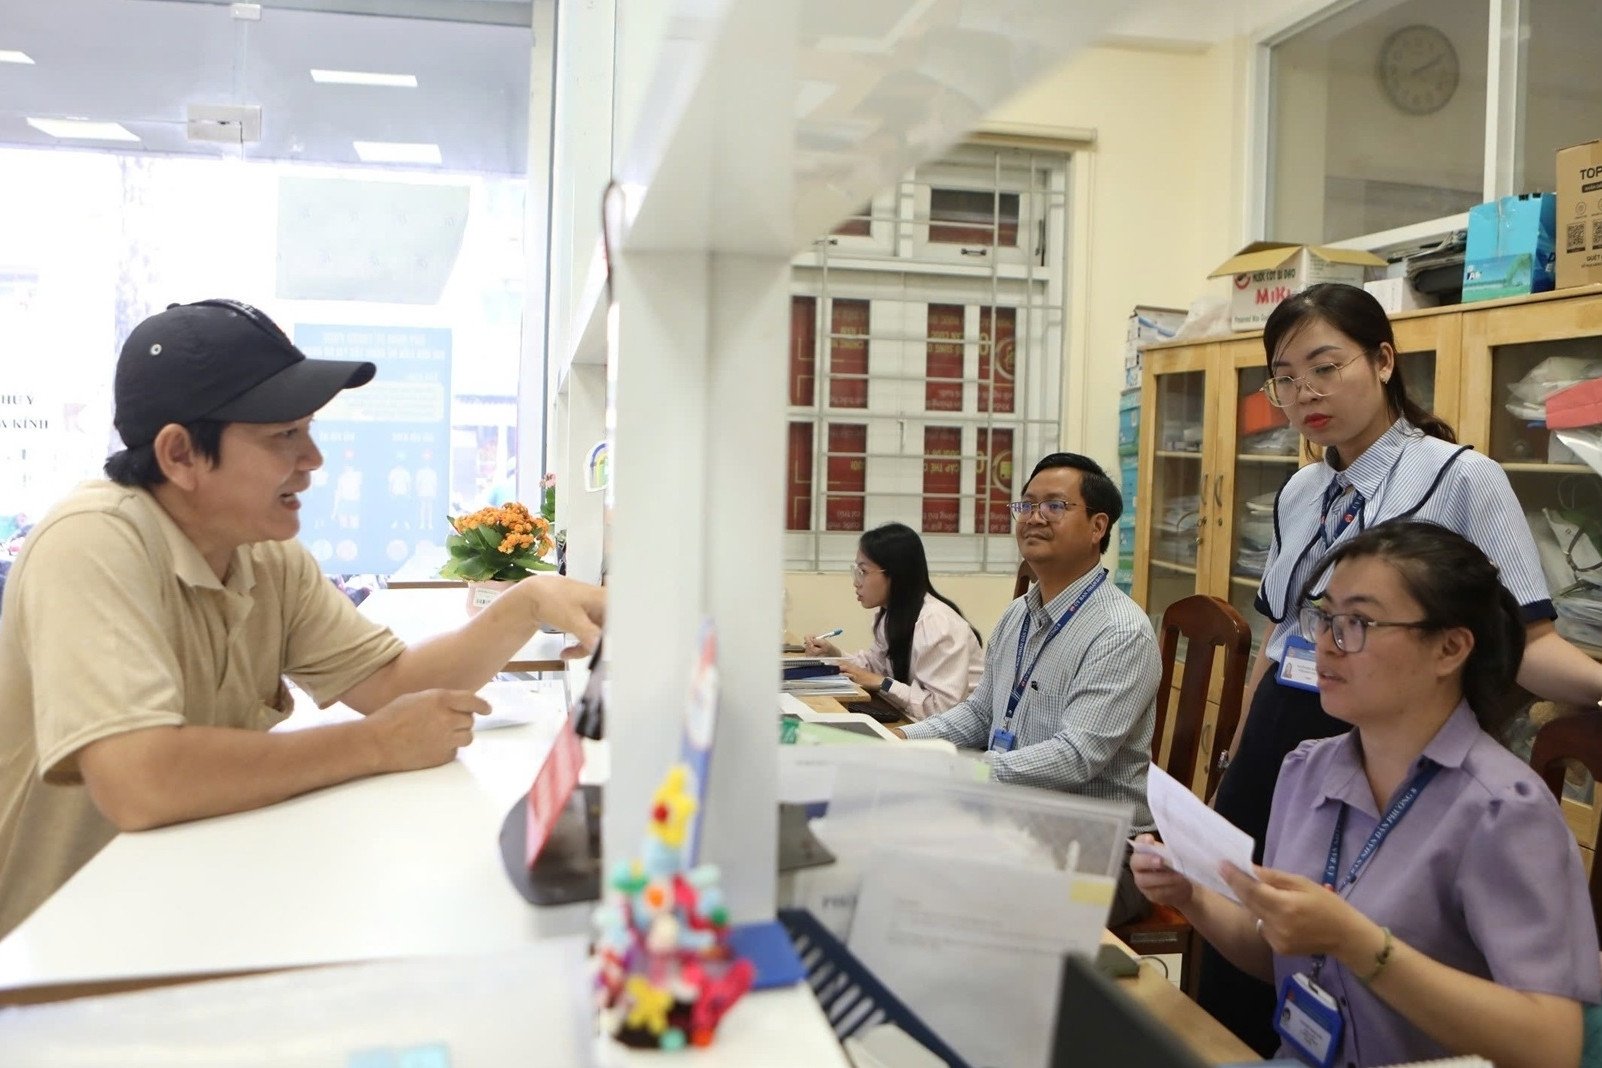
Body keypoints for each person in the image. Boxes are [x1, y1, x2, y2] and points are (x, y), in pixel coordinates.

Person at [0, 299, 605, 939]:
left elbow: (393, 685)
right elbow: (139, 780)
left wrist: (529, 602)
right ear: (179, 454)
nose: (313, 458)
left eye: (308, 430)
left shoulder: (263, 550)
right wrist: (375, 745)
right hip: (59, 953)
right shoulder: (92, 543)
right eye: (283, 436)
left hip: (189, 908)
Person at [1205, 281, 1602, 1052]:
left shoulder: (1460, 477)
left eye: (1325, 367)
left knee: (1357, 961)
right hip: (1290, 750)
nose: (1304, 393)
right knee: (1251, 946)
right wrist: (1238, 758)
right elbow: (1282, 634)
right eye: (1284, 377)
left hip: (1391, 743)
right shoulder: (1300, 489)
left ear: (1384, 360)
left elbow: (1526, 639)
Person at [1134, 522, 1601, 1068]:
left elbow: (1553, 1045)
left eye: (1357, 622)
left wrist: (1361, 946)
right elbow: (1279, 949)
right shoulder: (1306, 770)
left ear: (1450, 647)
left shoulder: (1504, 809)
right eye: (1325, 617)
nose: (1326, 645)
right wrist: (1191, 895)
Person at [897, 453, 1160, 926]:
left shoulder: (1121, 631)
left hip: (1099, 846)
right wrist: (902, 744)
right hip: (1018, 820)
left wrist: (967, 774)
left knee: (953, 898)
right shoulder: (1019, 613)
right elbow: (980, 715)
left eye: (1055, 506)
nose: (1034, 517)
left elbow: (1077, 755)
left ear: (1098, 526)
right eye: (1026, 505)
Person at [801, 521, 983, 722]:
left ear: (895, 574)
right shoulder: (891, 614)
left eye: (863, 571)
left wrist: (882, 683)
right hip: (915, 720)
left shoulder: (938, 624)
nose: (856, 582)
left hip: (959, 740)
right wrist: (833, 654)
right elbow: (874, 667)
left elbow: (943, 711)